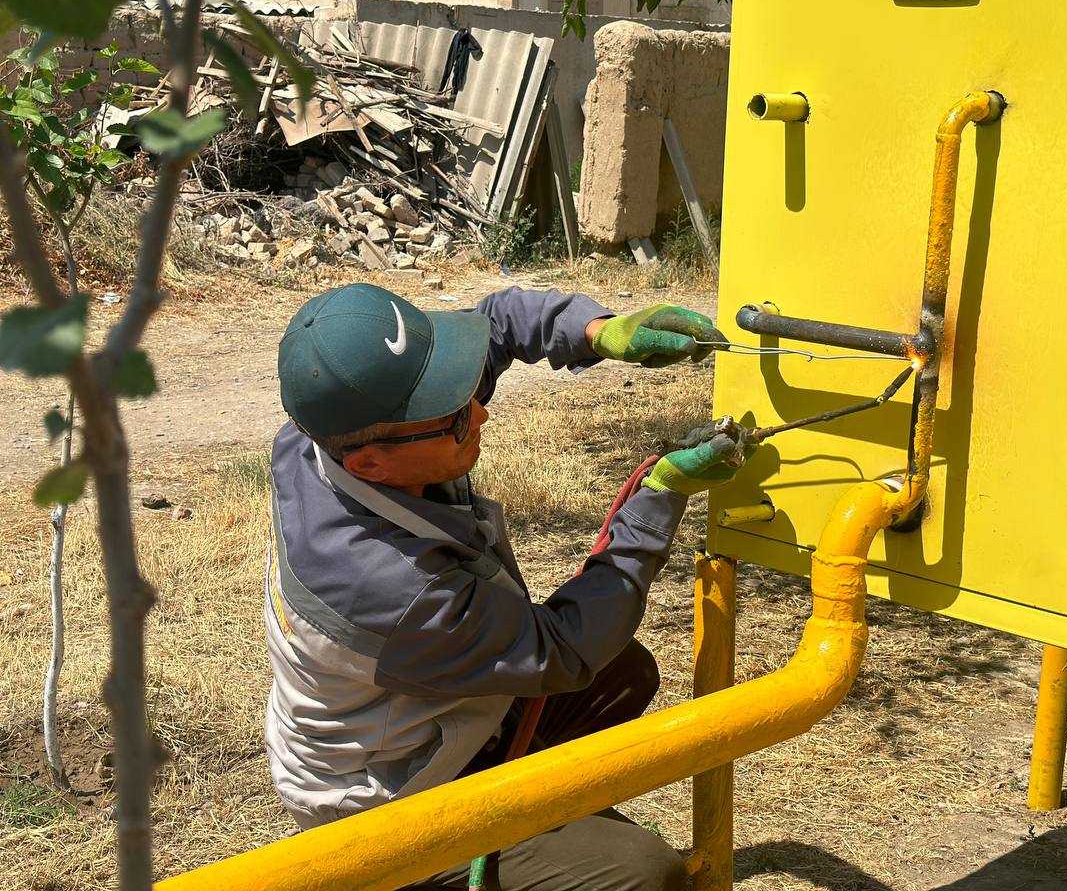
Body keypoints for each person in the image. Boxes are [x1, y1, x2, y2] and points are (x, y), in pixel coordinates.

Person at [265, 282, 751, 891]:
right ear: (370, 463)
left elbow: (493, 324)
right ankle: (425, 872)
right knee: (646, 874)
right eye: (454, 416)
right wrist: (659, 496)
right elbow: (562, 648)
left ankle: (537, 825)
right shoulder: (392, 586)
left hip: (424, 718)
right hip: (386, 797)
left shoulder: (332, 430)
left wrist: (602, 331)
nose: (480, 412)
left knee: (622, 671)